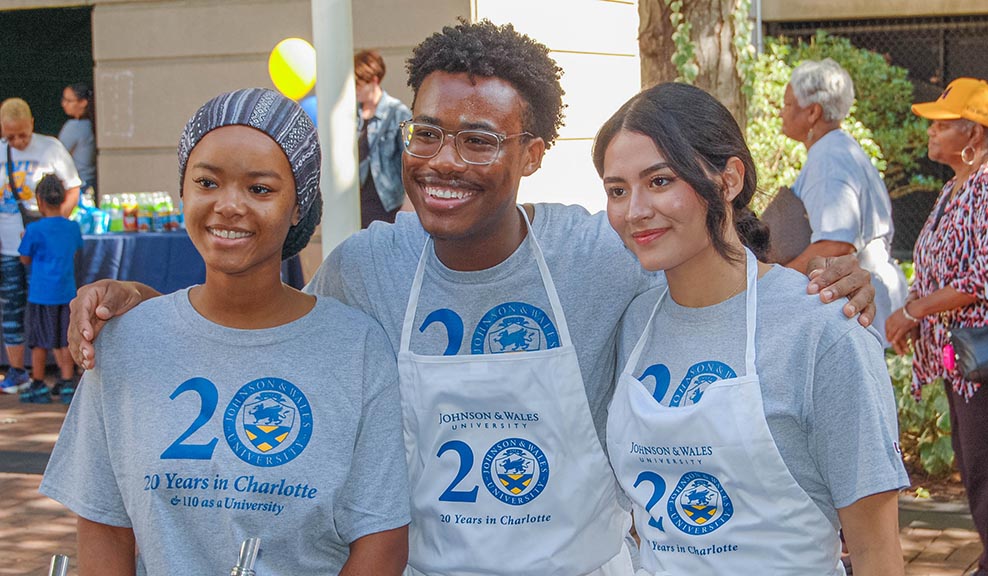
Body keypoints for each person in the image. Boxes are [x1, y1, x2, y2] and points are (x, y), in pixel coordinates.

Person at [69, 21, 877, 576]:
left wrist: (839, 281)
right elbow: (264, 330)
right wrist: (146, 302)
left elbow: (716, 264)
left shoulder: (601, 252)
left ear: (531, 152)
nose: (442, 160)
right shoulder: (366, 269)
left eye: (479, 139)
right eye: (425, 132)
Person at [41, 88, 409, 575]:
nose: (228, 205)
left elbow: (381, 540)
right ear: (183, 191)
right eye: (208, 182)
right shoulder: (124, 342)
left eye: (260, 189)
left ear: (298, 206)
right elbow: (106, 527)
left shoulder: (357, 348)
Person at [596, 81, 908, 576]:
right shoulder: (633, 321)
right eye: (617, 190)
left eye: (660, 181)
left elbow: (876, 552)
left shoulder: (823, 330)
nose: (634, 210)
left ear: (729, 180)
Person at [885, 77, 988, 576]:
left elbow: (986, 278)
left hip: (985, 357)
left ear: (974, 133)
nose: (930, 132)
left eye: (941, 124)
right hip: (958, 358)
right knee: (980, 476)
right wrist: (918, 318)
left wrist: (912, 312)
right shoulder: (957, 187)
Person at [780, 58, 908, 346]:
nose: (780, 112)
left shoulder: (829, 157)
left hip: (857, 305)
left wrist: (772, 282)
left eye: (788, 105)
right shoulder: (838, 147)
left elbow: (835, 245)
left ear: (812, 112)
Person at [0, 97, 81, 394]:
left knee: (49, 315)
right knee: (12, 310)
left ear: (32, 123)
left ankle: (57, 375)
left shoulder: (51, 148)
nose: (18, 141)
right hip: (8, 248)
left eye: (22, 134)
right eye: (10, 136)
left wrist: (53, 226)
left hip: (43, 253)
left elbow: (73, 187)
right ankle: (18, 372)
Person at [17, 173, 83, 404]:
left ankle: (38, 383)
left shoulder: (34, 230)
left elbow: (24, 258)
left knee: (39, 342)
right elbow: (76, 251)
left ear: (39, 201)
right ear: (64, 198)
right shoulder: (72, 227)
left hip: (41, 294)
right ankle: (66, 383)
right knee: (65, 339)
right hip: (66, 293)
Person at [355, 49, 412, 228]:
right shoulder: (349, 113)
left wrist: (408, 203)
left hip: (387, 202)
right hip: (356, 202)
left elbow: (410, 158)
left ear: (374, 81)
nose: (354, 89)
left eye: (358, 84)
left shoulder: (397, 112)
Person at [58, 83, 97, 202]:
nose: (63, 104)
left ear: (83, 102)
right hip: (92, 184)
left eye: (69, 100)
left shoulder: (74, 127)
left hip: (78, 187)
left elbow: (58, 155)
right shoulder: (92, 124)